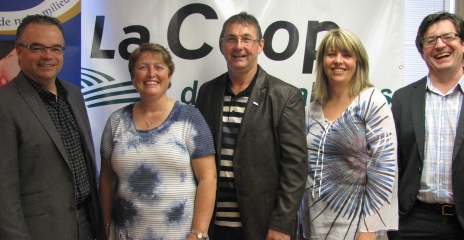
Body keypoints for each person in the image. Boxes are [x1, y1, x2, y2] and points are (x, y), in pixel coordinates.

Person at [195, 11, 308, 240]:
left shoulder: (285, 96)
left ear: (260, 45)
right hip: (212, 225)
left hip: (262, 227)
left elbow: (295, 169)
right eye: (231, 39)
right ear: (221, 45)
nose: (239, 46)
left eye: (247, 39)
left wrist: (282, 224)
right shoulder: (207, 92)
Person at [0, 15, 105, 239]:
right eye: (37, 48)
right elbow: (4, 194)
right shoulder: (5, 105)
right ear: (19, 51)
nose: (48, 56)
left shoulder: (74, 94)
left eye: (56, 49)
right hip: (40, 232)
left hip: (84, 226)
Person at [99, 43, 217, 240]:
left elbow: (208, 178)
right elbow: (106, 179)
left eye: (159, 67)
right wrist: (105, 225)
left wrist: (198, 234)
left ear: (169, 76)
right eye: (143, 67)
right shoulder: (116, 121)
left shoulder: (190, 118)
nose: (151, 73)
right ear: (132, 76)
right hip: (125, 234)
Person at [387, 11, 464, 240]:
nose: (439, 45)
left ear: (463, 43)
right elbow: (391, 163)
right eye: (430, 41)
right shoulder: (403, 99)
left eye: (448, 37)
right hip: (413, 222)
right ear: (422, 51)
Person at [298, 29, 398, 240]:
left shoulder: (371, 101)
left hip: (357, 226)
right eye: (331, 54)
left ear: (358, 61)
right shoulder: (313, 108)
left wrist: (368, 230)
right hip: (313, 224)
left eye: (346, 55)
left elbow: (384, 171)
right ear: (322, 61)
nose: (338, 61)